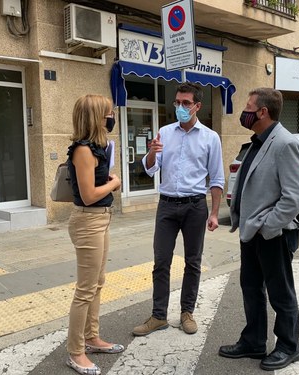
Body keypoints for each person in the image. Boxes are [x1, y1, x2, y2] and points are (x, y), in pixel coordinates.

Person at [218, 88, 299, 371]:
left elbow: (296, 195)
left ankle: (288, 347)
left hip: (272, 234)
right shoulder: (258, 141)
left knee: (280, 293)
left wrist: (268, 226)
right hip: (251, 232)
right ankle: (254, 341)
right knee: (251, 288)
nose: (243, 112)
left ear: (262, 112)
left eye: (248, 107)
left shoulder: (285, 143)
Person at [132, 82, 225, 336]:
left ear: (197, 106)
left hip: (195, 206)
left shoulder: (210, 138)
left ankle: (187, 312)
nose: (181, 107)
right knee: (161, 261)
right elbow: (151, 168)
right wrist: (151, 153)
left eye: (186, 103)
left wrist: (214, 213)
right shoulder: (165, 132)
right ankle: (158, 316)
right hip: (167, 205)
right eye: (177, 103)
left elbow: (216, 179)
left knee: (193, 263)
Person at [66, 94, 124, 375]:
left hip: (100, 219)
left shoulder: (97, 148)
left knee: (97, 283)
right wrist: (114, 184)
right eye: (107, 113)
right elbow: (88, 196)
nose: (111, 118)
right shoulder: (83, 151)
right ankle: (75, 352)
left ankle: (92, 337)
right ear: (95, 117)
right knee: (85, 290)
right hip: (88, 220)